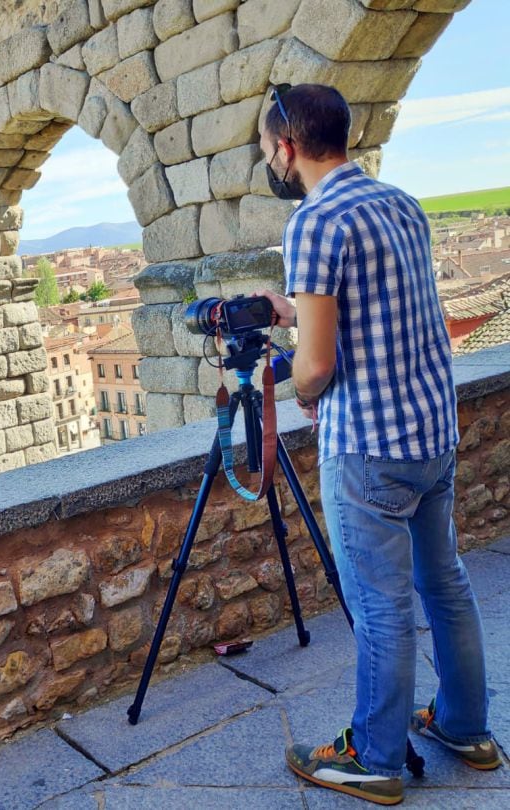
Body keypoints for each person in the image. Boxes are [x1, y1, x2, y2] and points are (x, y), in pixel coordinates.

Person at [253, 83, 497, 805]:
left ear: (287, 148)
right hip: (431, 431)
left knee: (383, 604)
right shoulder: (401, 205)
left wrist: (295, 382)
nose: (269, 159)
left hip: (369, 447)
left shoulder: (312, 222)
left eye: (268, 148)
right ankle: (465, 728)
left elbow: (319, 368)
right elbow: (376, 308)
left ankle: (376, 757)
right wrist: (293, 310)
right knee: (445, 583)